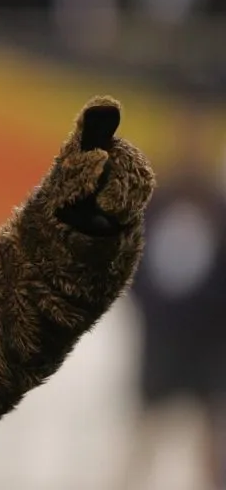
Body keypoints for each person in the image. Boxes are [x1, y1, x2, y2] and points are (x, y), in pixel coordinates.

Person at [125, 105, 226, 490]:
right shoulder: (155, 204)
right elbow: (132, 267)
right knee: (145, 438)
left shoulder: (217, 207)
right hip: (163, 338)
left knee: (211, 443)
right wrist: (155, 313)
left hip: (209, 341)